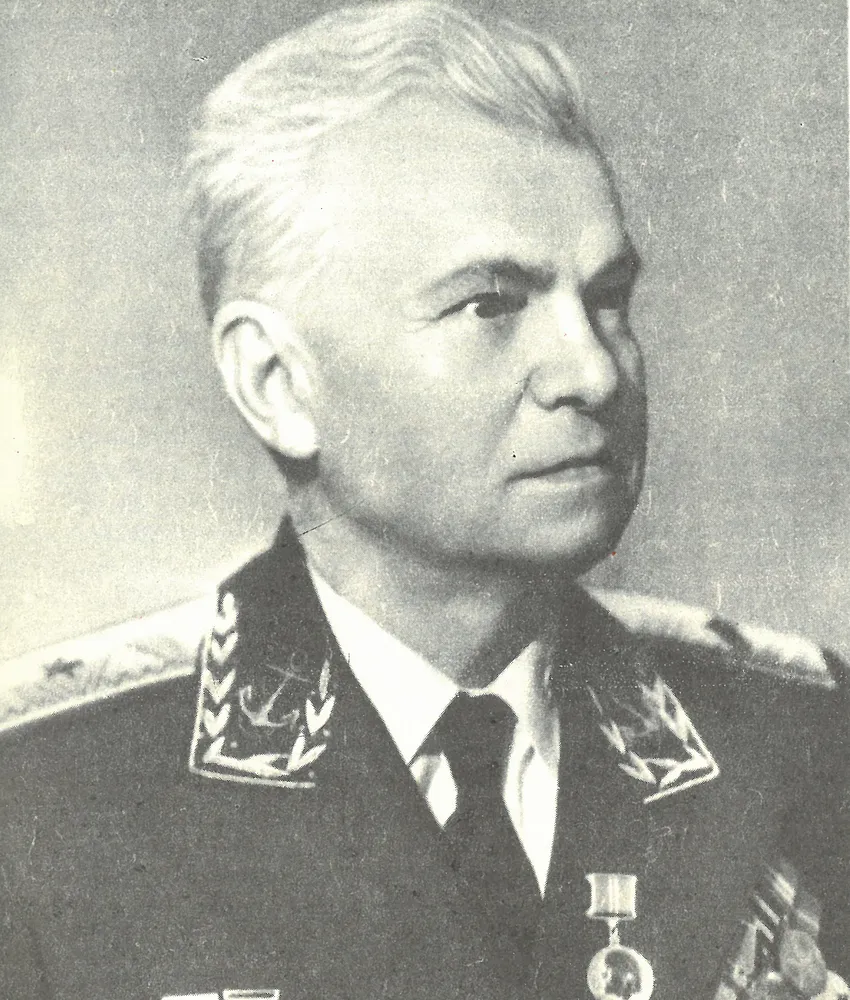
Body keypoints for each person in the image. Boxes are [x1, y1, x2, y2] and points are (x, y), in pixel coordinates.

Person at [1, 3, 848, 999]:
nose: (592, 372)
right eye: (490, 304)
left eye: (607, 297)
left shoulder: (807, 742)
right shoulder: (47, 798)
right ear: (277, 383)